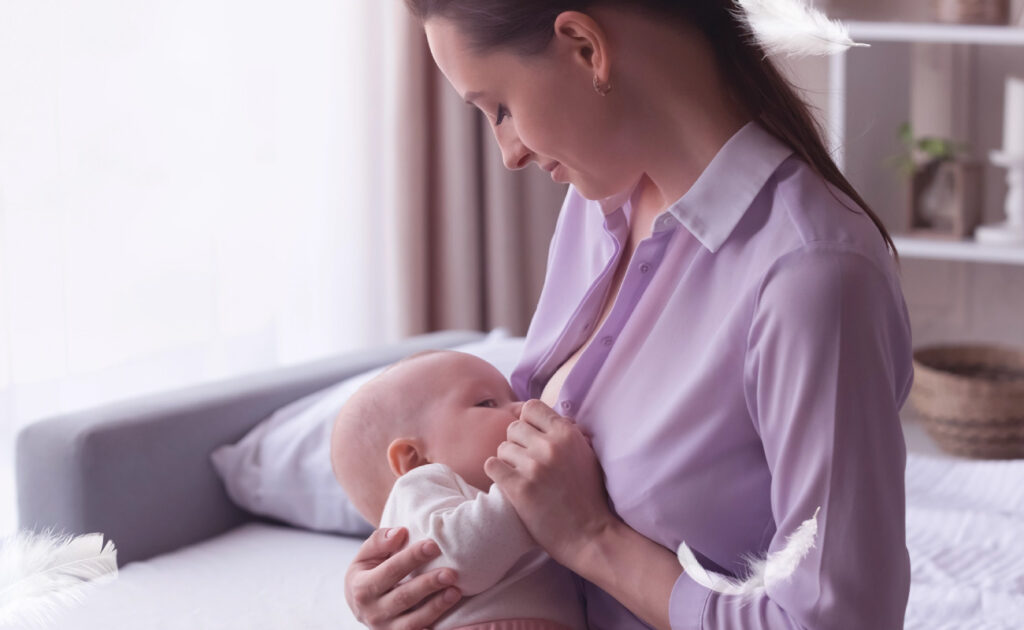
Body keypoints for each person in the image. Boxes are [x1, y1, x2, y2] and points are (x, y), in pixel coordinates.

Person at [343, 2, 914, 629]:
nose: (507, 152)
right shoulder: (596, 209)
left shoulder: (812, 276)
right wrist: (411, 575)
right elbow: (529, 482)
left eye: (500, 108)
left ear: (585, 46)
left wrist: (593, 538)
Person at [330, 349, 587, 630]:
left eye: (514, 398)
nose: (523, 408)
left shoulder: (482, 502)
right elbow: (455, 560)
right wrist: (531, 492)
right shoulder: (418, 487)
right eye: (488, 403)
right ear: (413, 459)